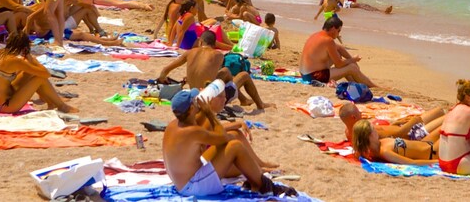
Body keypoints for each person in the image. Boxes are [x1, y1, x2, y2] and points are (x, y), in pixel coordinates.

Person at [162, 89, 294, 198]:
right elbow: (223, 137)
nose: (198, 104)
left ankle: (256, 180)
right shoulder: (193, 131)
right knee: (235, 146)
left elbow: (203, 127)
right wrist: (209, 112)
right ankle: (263, 186)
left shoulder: (173, 126)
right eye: (195, 103)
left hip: (182, 183)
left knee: (233, 139)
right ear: (191, 108)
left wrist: (207, 112)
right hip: (192, 187)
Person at [156, 31, 271, 111]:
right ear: (214, 44)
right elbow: (216, 77)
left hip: (195, 95)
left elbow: (165, 70)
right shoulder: (218, 55)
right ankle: (260, 104)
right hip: (210, 98)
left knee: (225, 71)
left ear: (200, 42)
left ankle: (244, 99)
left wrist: (163, 78)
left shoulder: (189, 52)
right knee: (244, 75)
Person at [0, 31, 76, 113]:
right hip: (4, 107)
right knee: (39, 78)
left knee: (28, 73)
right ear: (23, 47)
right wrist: (31, 59)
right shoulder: (16, 61)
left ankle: (51, 102)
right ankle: (61, 106)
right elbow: (46, 74)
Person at [300, 15, 376, 86]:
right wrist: (353, 60)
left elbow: (339, 48)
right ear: (333, 28)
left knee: (342, 57)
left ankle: (354, 81)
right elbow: (338, 64)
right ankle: (373, 86)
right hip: (313, 77)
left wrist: (352, 61)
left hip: (305, 74)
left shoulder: (317, 35)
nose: (338, 34)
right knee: (351, 67)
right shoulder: (328, 40)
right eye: (338, 31)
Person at [340, 102, 445, 144]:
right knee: (446, 118)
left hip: (404, 128)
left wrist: (396, 123)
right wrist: (413, 121)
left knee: (439, 111)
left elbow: (387, 132)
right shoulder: (364, 131)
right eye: (358, 112)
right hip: (412, 134)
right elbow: (397, 135)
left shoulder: (349, 131)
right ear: (353, 117)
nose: (361, 113)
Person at [352, 119, 439, 164]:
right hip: (432, 152)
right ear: (370, 135)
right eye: (373, 129)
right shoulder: (385, 152)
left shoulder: (380, 143)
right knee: (450, 125)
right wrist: (437, 162)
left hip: (426, 142)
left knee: (447, 121)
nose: (376, 130)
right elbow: (411, 162)